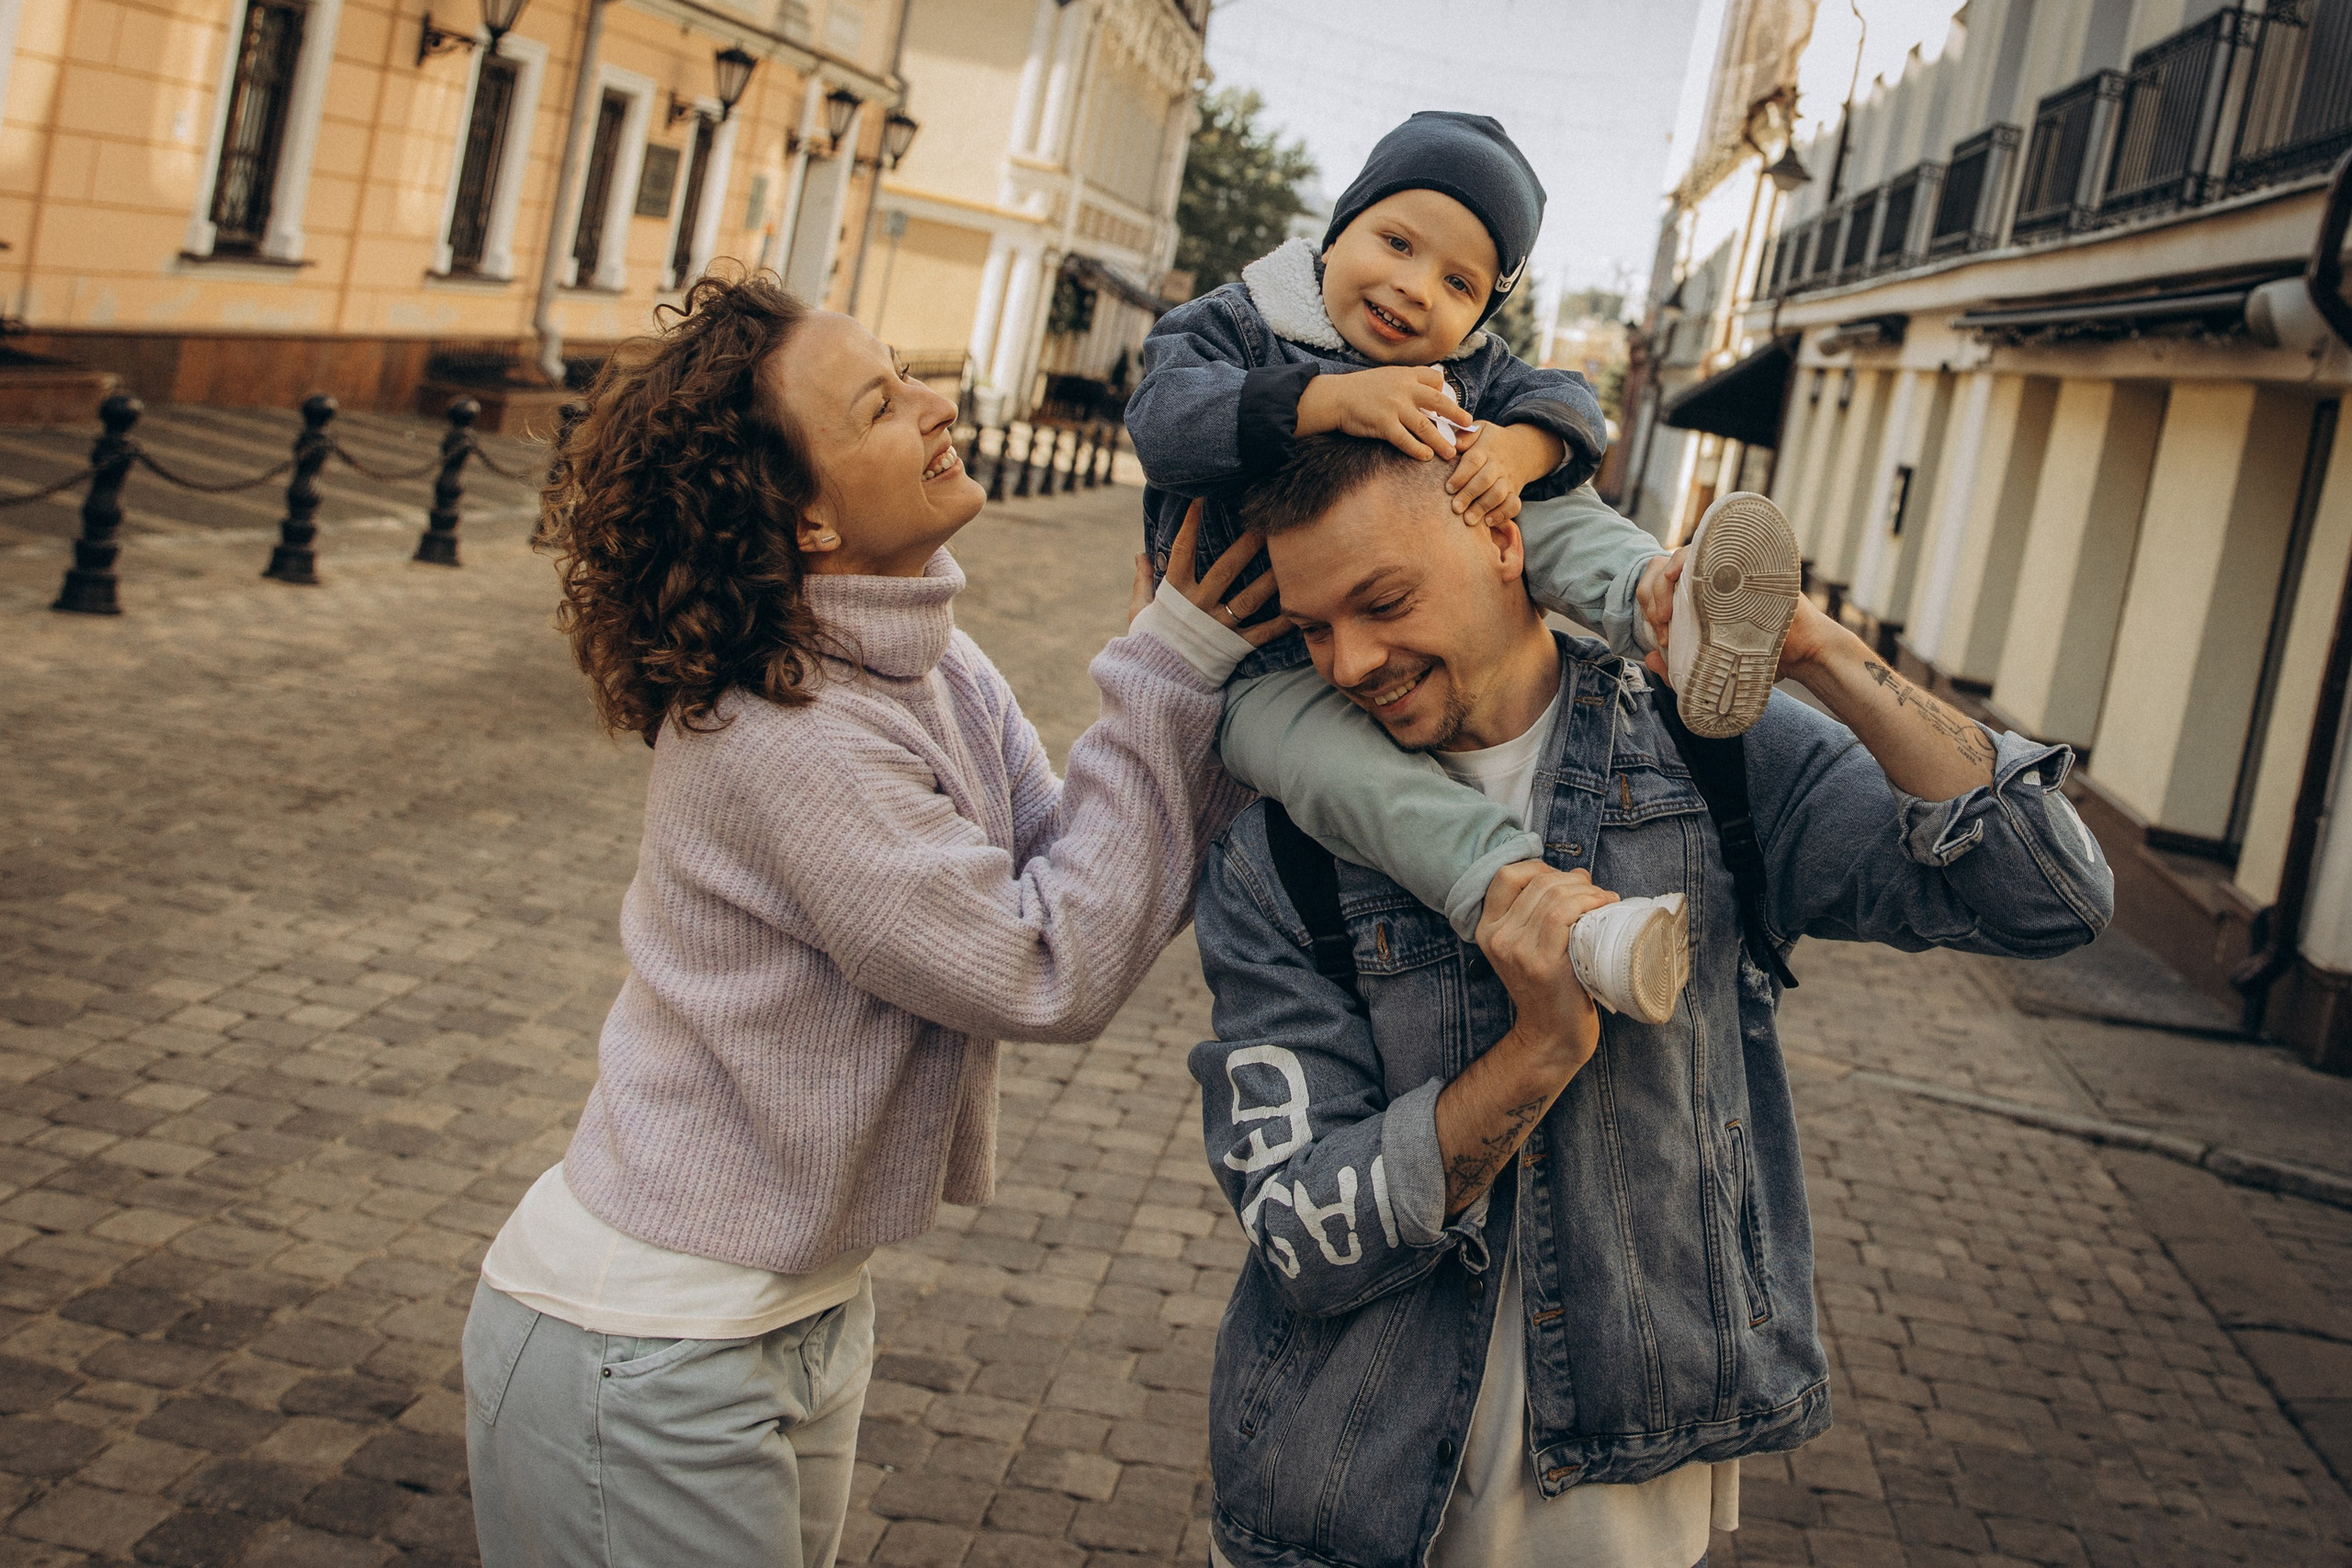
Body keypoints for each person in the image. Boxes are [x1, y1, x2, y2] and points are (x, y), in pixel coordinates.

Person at [461, 273, 1283, 1568]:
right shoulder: (785, 731)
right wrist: (1168, 671)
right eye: (881, 405)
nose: (936, 404)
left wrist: (1221, 694)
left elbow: (1074, 863)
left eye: (906, 375)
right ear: (806, 515)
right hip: (649, 1341)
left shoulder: (926, 656)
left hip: (793, 1313)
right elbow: (1042, 961)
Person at [1186, 435, 2114, 1568]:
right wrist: (1537, 1052)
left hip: (1621, 1506)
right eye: (1314, 628)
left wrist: (1816, 649)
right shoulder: (1278, 847)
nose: (1349, 662)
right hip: (1332, 1494)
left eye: (1383, 602)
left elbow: (2046, 895)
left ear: (1501, 536)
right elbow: (1299, 1232)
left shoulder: (1707, 755)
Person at [1126, 110, 1804, 980]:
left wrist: (1519, 451)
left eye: (1459, 283)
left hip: (1411, 594)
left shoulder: (1473, 369)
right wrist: (1326, 402)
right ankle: (1528, 899)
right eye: (1397, 242)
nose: (1416, 288)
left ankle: (1666, 603)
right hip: (1260, 665)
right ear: (1337, 233)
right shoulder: (1243, 320)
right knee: (1350, 781)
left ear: (1483, 310)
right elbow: (1162, 418)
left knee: (1516, 494)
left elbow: (1574, 403)